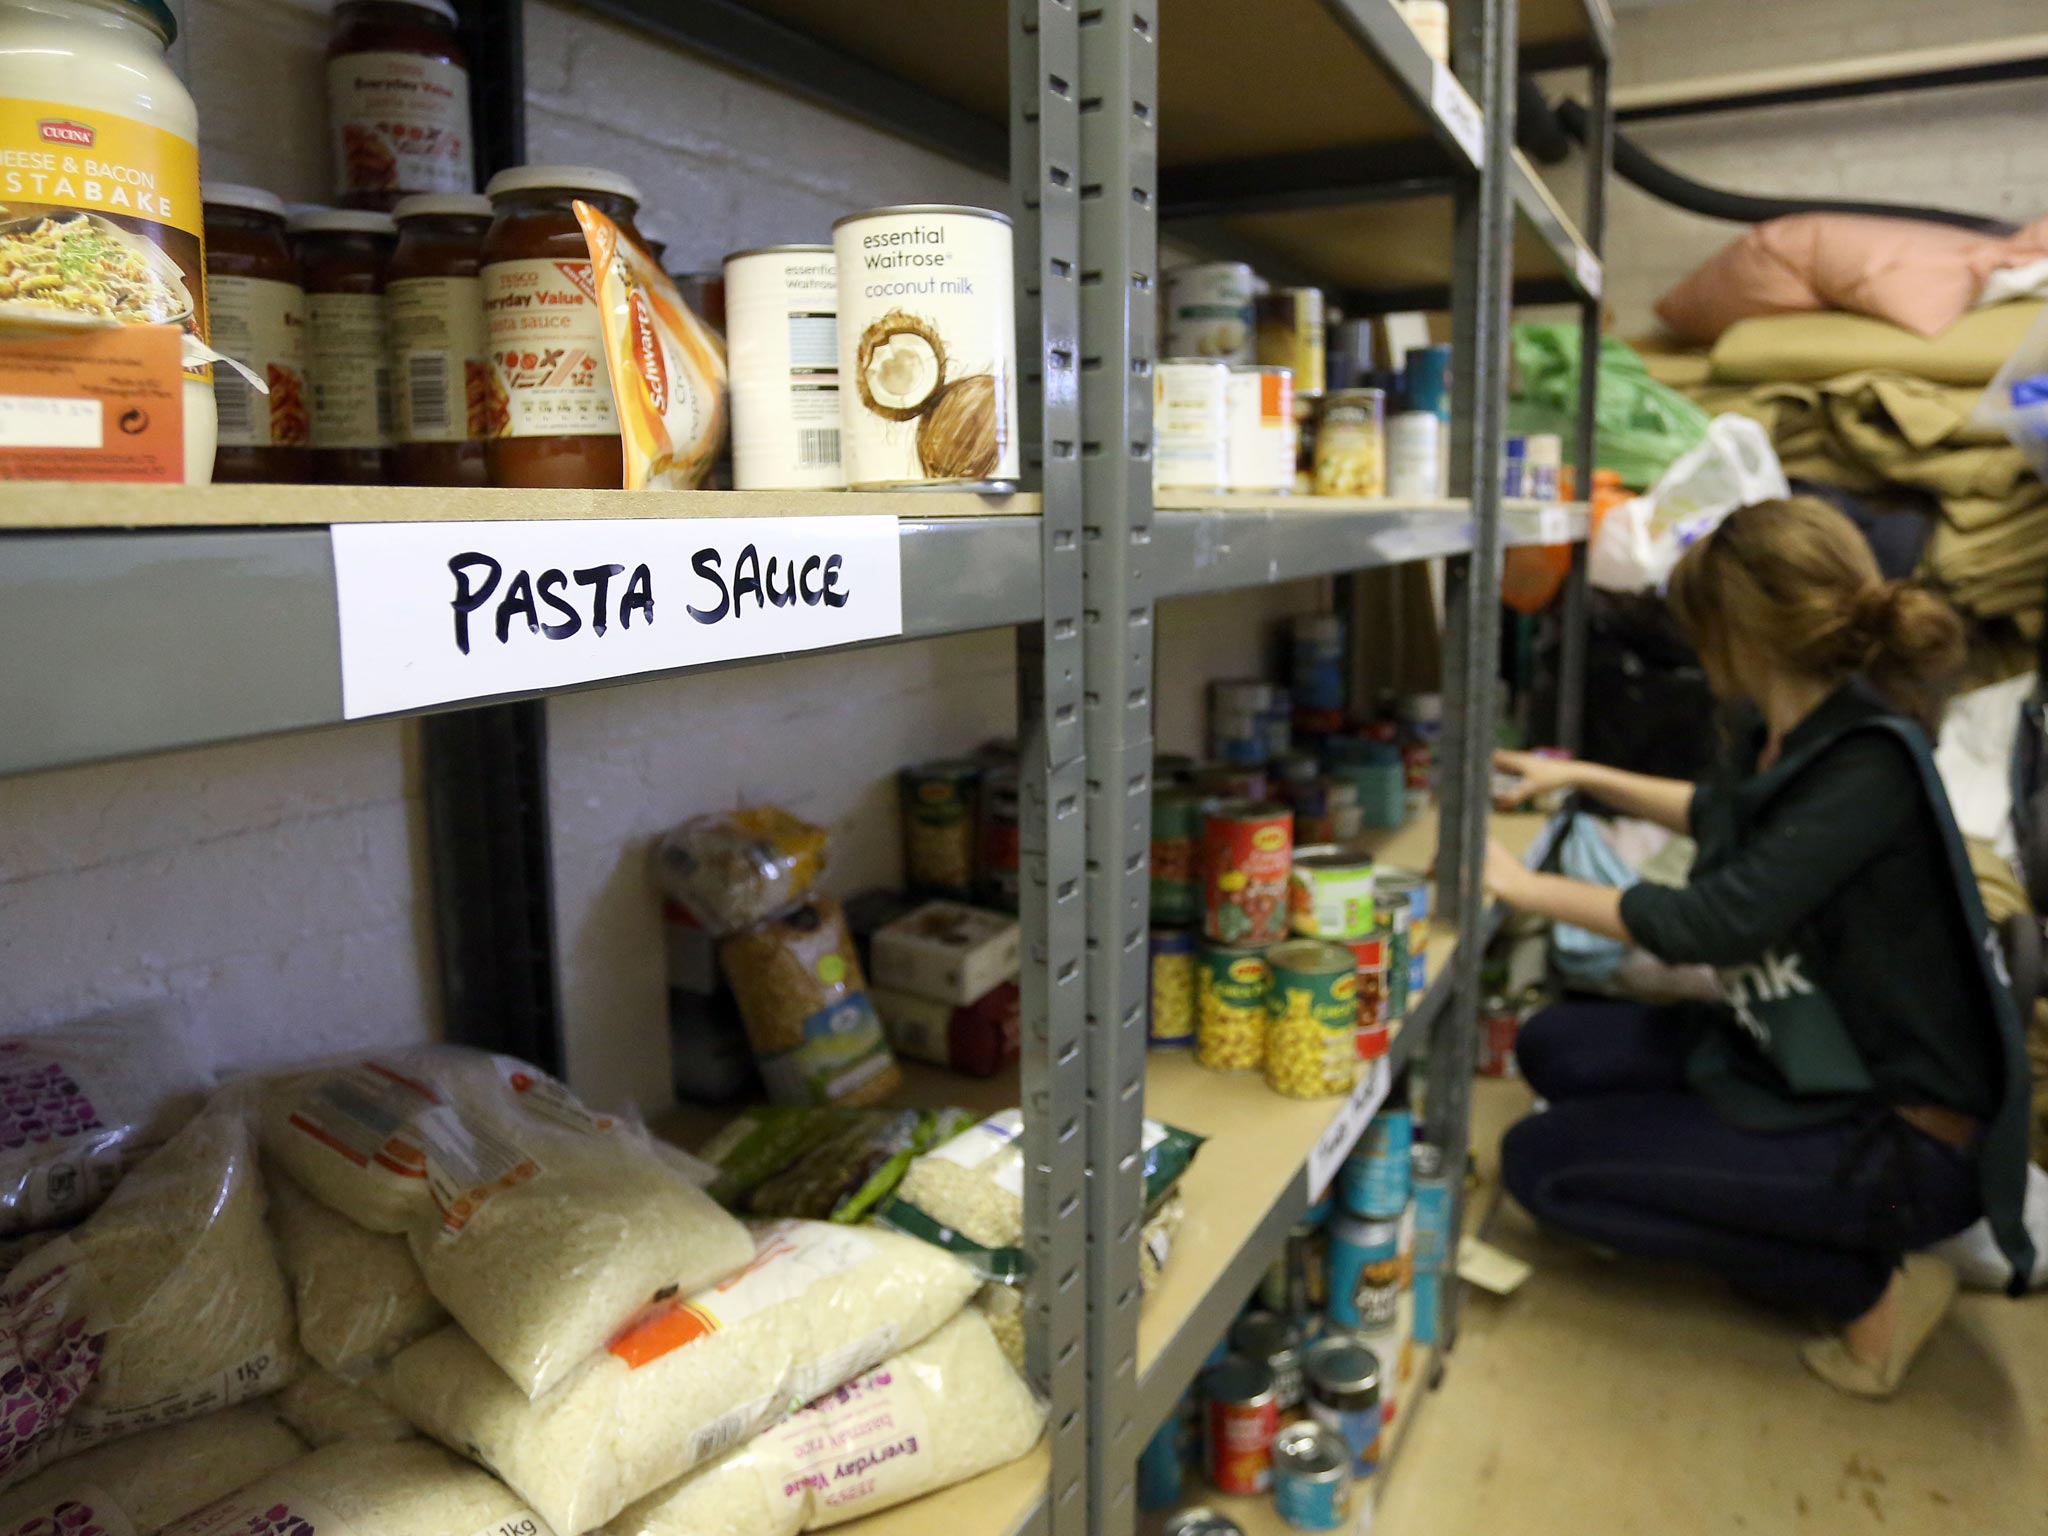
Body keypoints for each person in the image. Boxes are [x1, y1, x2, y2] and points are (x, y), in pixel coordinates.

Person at [1484, 496, 2034, 1398]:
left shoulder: (1869, 764)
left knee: (1544, 1171)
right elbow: (1720, 812)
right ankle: (1799, 1205)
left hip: (1897, 1131)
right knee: (1550, 1045)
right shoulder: (1786, 731)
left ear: (1740, 631)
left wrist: (1518, 886)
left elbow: (1716, 923)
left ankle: (1868, 1287)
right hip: (1803, 1051)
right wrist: (1576, 773)